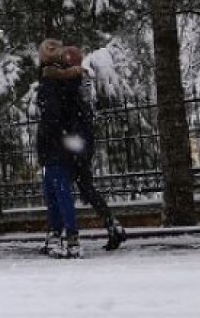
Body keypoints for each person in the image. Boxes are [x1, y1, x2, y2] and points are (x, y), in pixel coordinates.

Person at [61, 45, 127, 252]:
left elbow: (72, 116)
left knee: (67, 189)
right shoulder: (81, 83)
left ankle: (63, 234)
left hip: (76, 144)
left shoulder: (71, 86)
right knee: (85, 188)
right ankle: (112, 224)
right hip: (83, 142)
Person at [36, 38, 87, 259]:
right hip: (64, 142)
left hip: (54, 144)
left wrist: (50, 136)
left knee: (57, 192)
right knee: (56, 191)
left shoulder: (50, 82)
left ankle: (67, 235)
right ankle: (58, 235)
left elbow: (51, 116)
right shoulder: (67, 81)